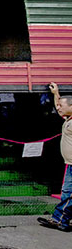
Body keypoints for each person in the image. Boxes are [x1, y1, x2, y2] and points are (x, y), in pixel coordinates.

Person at [37, 82, 72, 232]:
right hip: (69, 164)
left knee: (69, 194)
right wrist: (56, 94)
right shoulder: (68, 120)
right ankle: (62, 220)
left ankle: (60, 220)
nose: (58, 108)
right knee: (67, 192)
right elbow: (60, 111)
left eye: (61, 106)